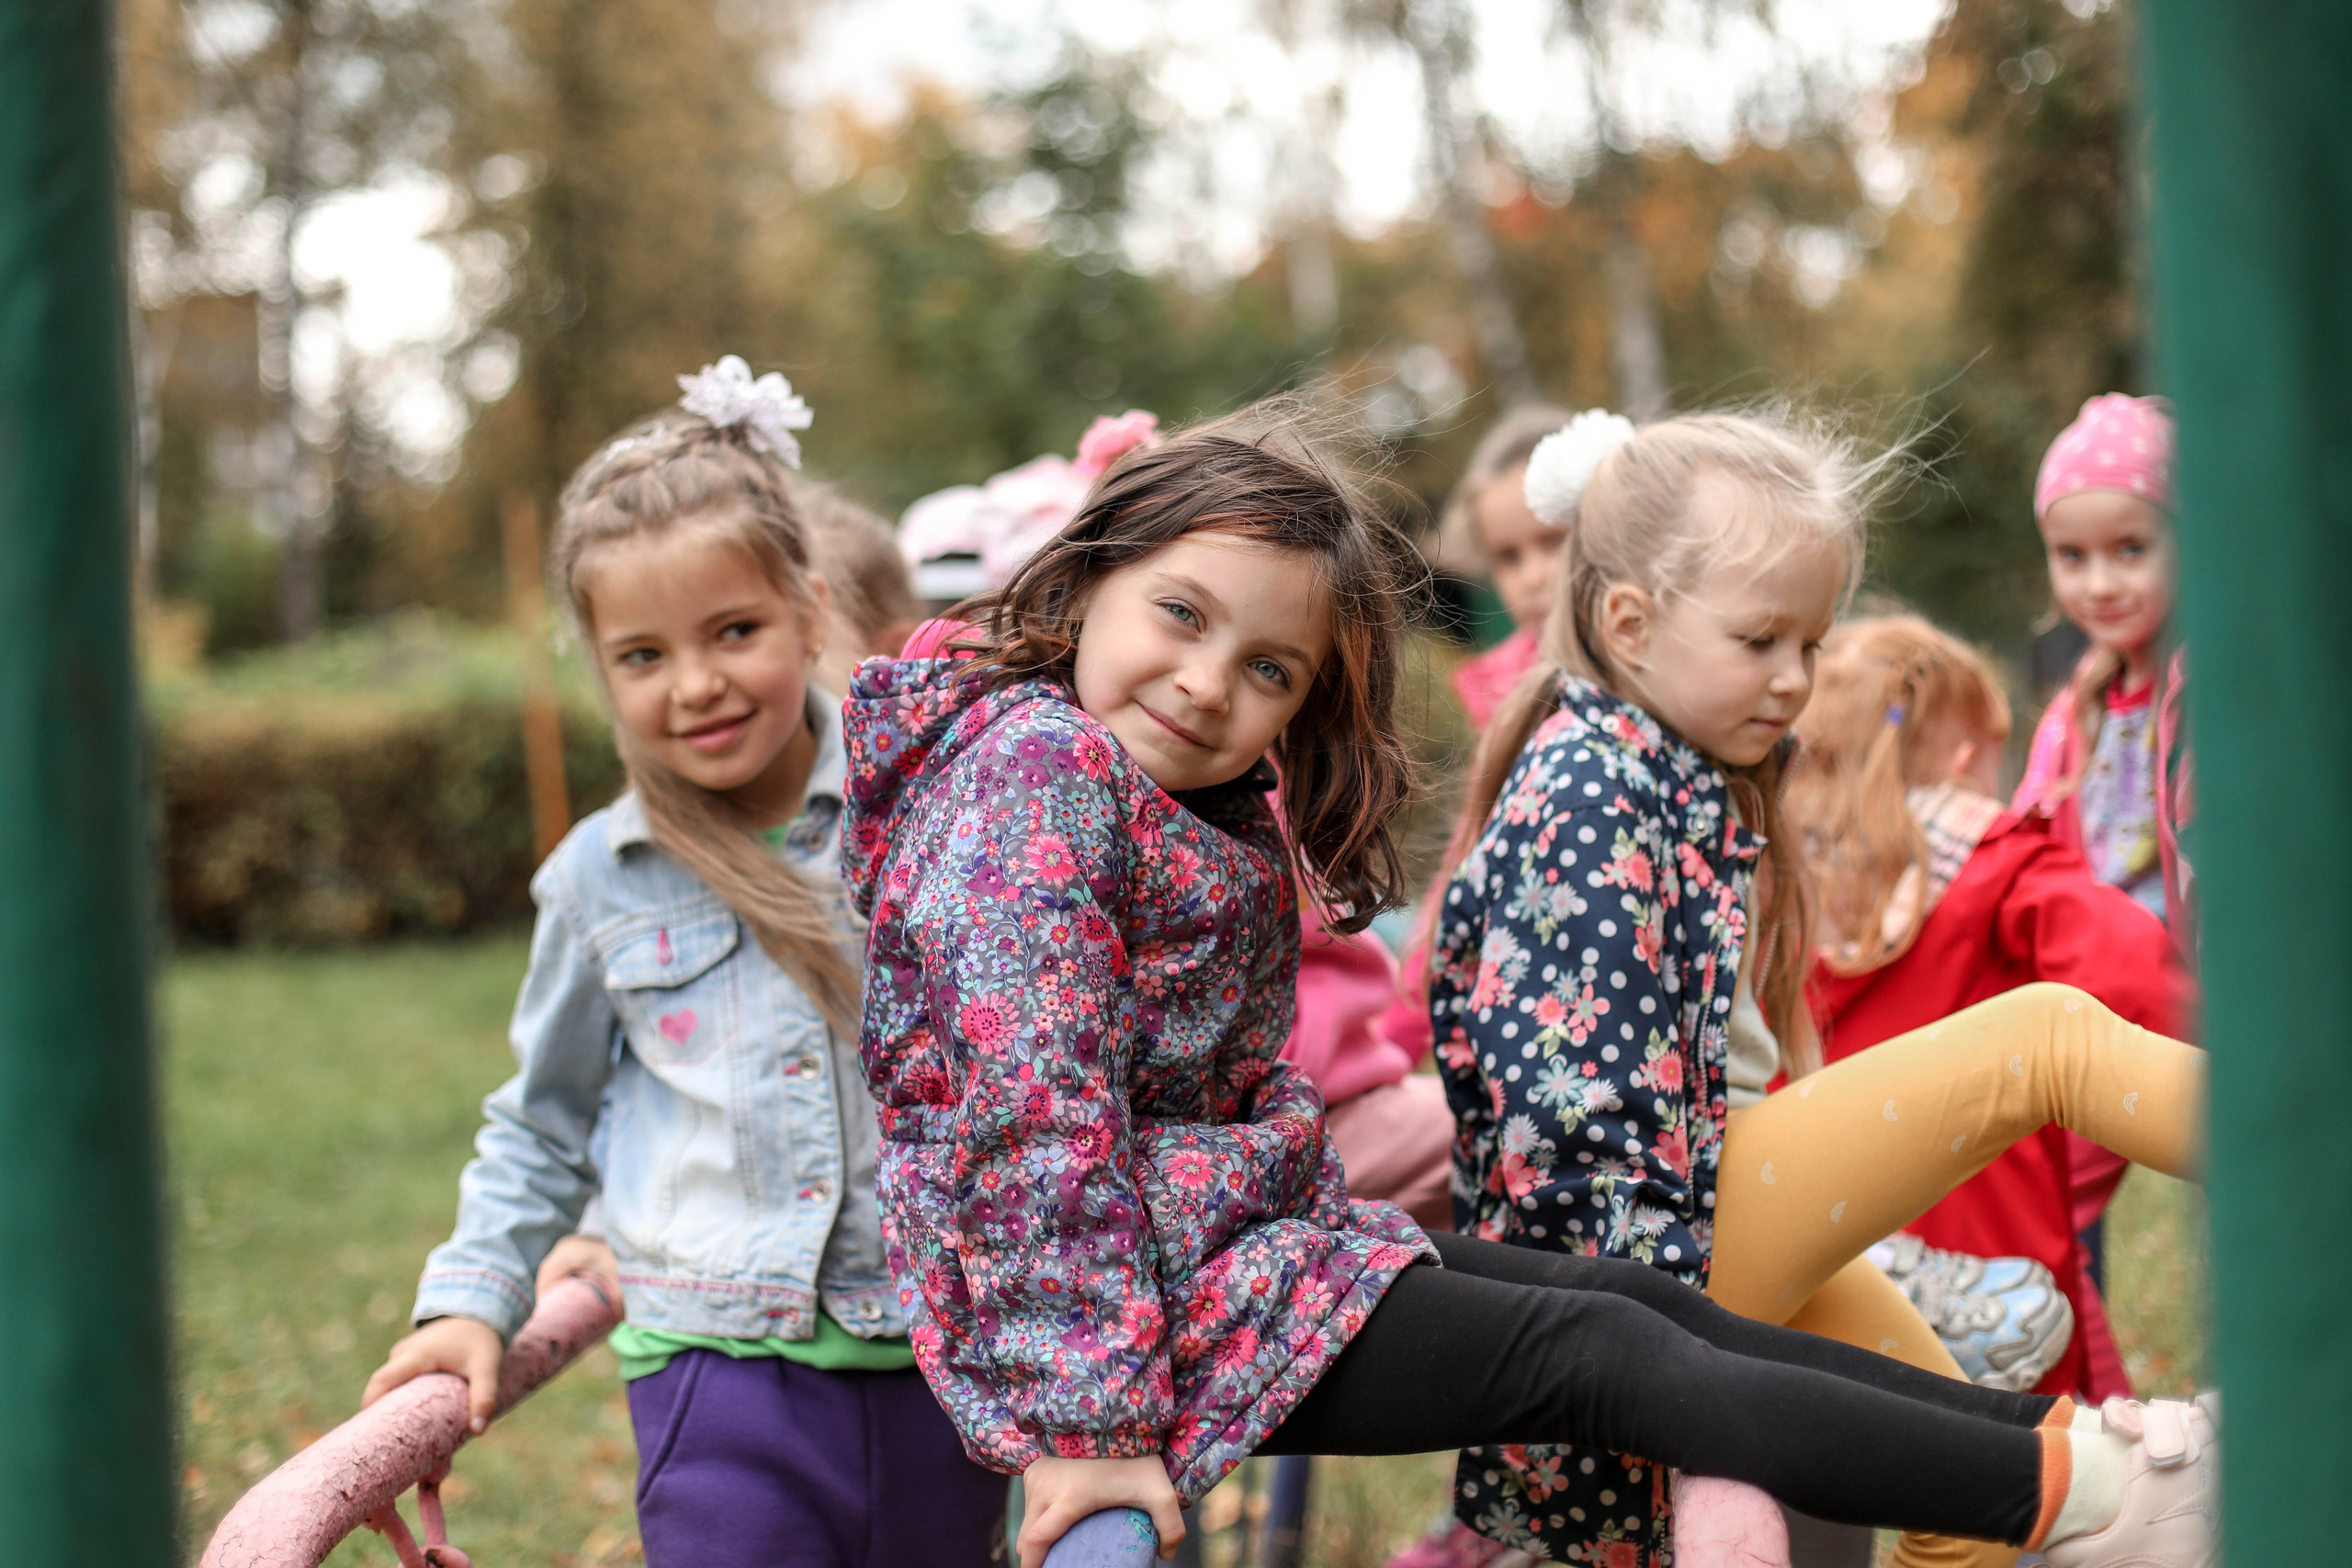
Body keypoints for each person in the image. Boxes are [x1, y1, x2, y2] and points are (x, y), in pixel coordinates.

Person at [837, 401, 2218, 1568]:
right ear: (1087, 578)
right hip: (1133, 1313)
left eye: (1268, 668)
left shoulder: (1179, 797)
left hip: (1228, 1251)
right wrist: (1089, 1426)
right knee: (1602, 1350)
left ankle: (2093, 1466)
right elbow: (1033, 1122)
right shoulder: (1031, 778)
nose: (1206, 684)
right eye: (1180, 615)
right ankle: (2097, 1492)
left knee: (1639, 1317)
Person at [1429, 408, 2212, 1568]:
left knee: (1971, 1482)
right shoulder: (1588, 795)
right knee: (2043, 1038)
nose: (1796, 680)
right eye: (1761, 641)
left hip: (1702, 1229)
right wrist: (1672, 1381)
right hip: (1646, 1267)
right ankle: (2301, 1164)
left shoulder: (1669, 768)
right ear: (1630, 624)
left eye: (1812, 641)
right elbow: (1571, 1129)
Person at [358, 358, 1006, 1568]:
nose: (697, 684)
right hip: (720, 1374)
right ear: (599, 668)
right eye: (642, 655)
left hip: (943, 1352)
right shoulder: (599, 881)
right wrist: (468, 1298)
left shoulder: (933, 809)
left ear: (810, 610)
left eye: (735, 631)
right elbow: (541, 1122)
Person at [1791, 615, 2194, 1404]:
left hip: (1839, 1264)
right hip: (2000, 1273)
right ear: (1966, 756)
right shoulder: (1999, 862)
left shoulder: (1783, 884)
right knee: (2049, 1448)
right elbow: (2132, 967)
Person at [2009, 394, 2192, 1391]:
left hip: (2177, 984)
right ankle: (2083, 1391)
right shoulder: (2077, 706)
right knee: (2049, 1187)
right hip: (2096, 989)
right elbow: (2035, 834)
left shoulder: (2204, 684)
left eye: (2131, 549)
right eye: (2071, 556)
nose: (2099, 582)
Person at [1431, 405, 1574, 728]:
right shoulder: (1498, 690)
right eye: (1508, 557)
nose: (1533, 577)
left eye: (1555, 540)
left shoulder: (1668, 652)